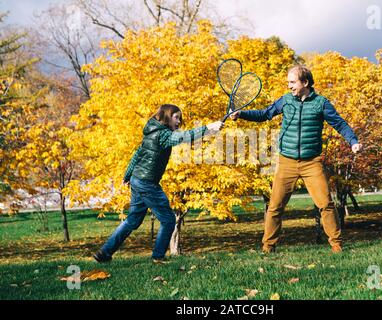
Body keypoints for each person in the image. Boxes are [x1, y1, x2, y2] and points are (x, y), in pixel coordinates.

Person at [230, 65, 362, 253]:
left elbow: (339, 124)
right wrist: (242, 114)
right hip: (287, 162)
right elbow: (265, 114)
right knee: (275, 207)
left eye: (292, 82)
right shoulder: (285, 101)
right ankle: (268, 246)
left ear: (305, 82)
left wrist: (353, 141)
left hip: (312, 163)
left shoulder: (321, 103)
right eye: (288, 82)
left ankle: (336, 245)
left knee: (326, 204)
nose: (289, 86)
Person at [94, 104, 224, 263]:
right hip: (147, 183)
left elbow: (138, 154)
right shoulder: (163, 134)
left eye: (180, 118)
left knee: (133, 220)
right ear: (167, 116)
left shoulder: (151, 132)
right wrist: (208, 128)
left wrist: (128, 175)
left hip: (137, 179)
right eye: (176, 117)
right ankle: (158, 257)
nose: (179, 121)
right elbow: (183, 137)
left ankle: (104, 253)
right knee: (168, 219)